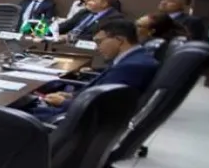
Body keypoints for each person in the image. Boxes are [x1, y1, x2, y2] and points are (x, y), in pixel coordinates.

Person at [30, 19, 158, 120]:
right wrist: (72, 95)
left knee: (21, 110)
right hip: (76, 108)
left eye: (99, 42)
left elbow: (103, 107)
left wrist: (64, 102)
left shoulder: (131, 67)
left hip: (71, 118)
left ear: (119, 40)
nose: (97, 48)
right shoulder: (134, 58)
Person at [58, 0, 124, 41]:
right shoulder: (84, 12)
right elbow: (67, 24)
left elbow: (96, 37)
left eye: (92, 1)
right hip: (64, 41)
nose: (88, 2)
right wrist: (51, 30)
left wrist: (70, 37)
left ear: (104, 4)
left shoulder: (114, 18)